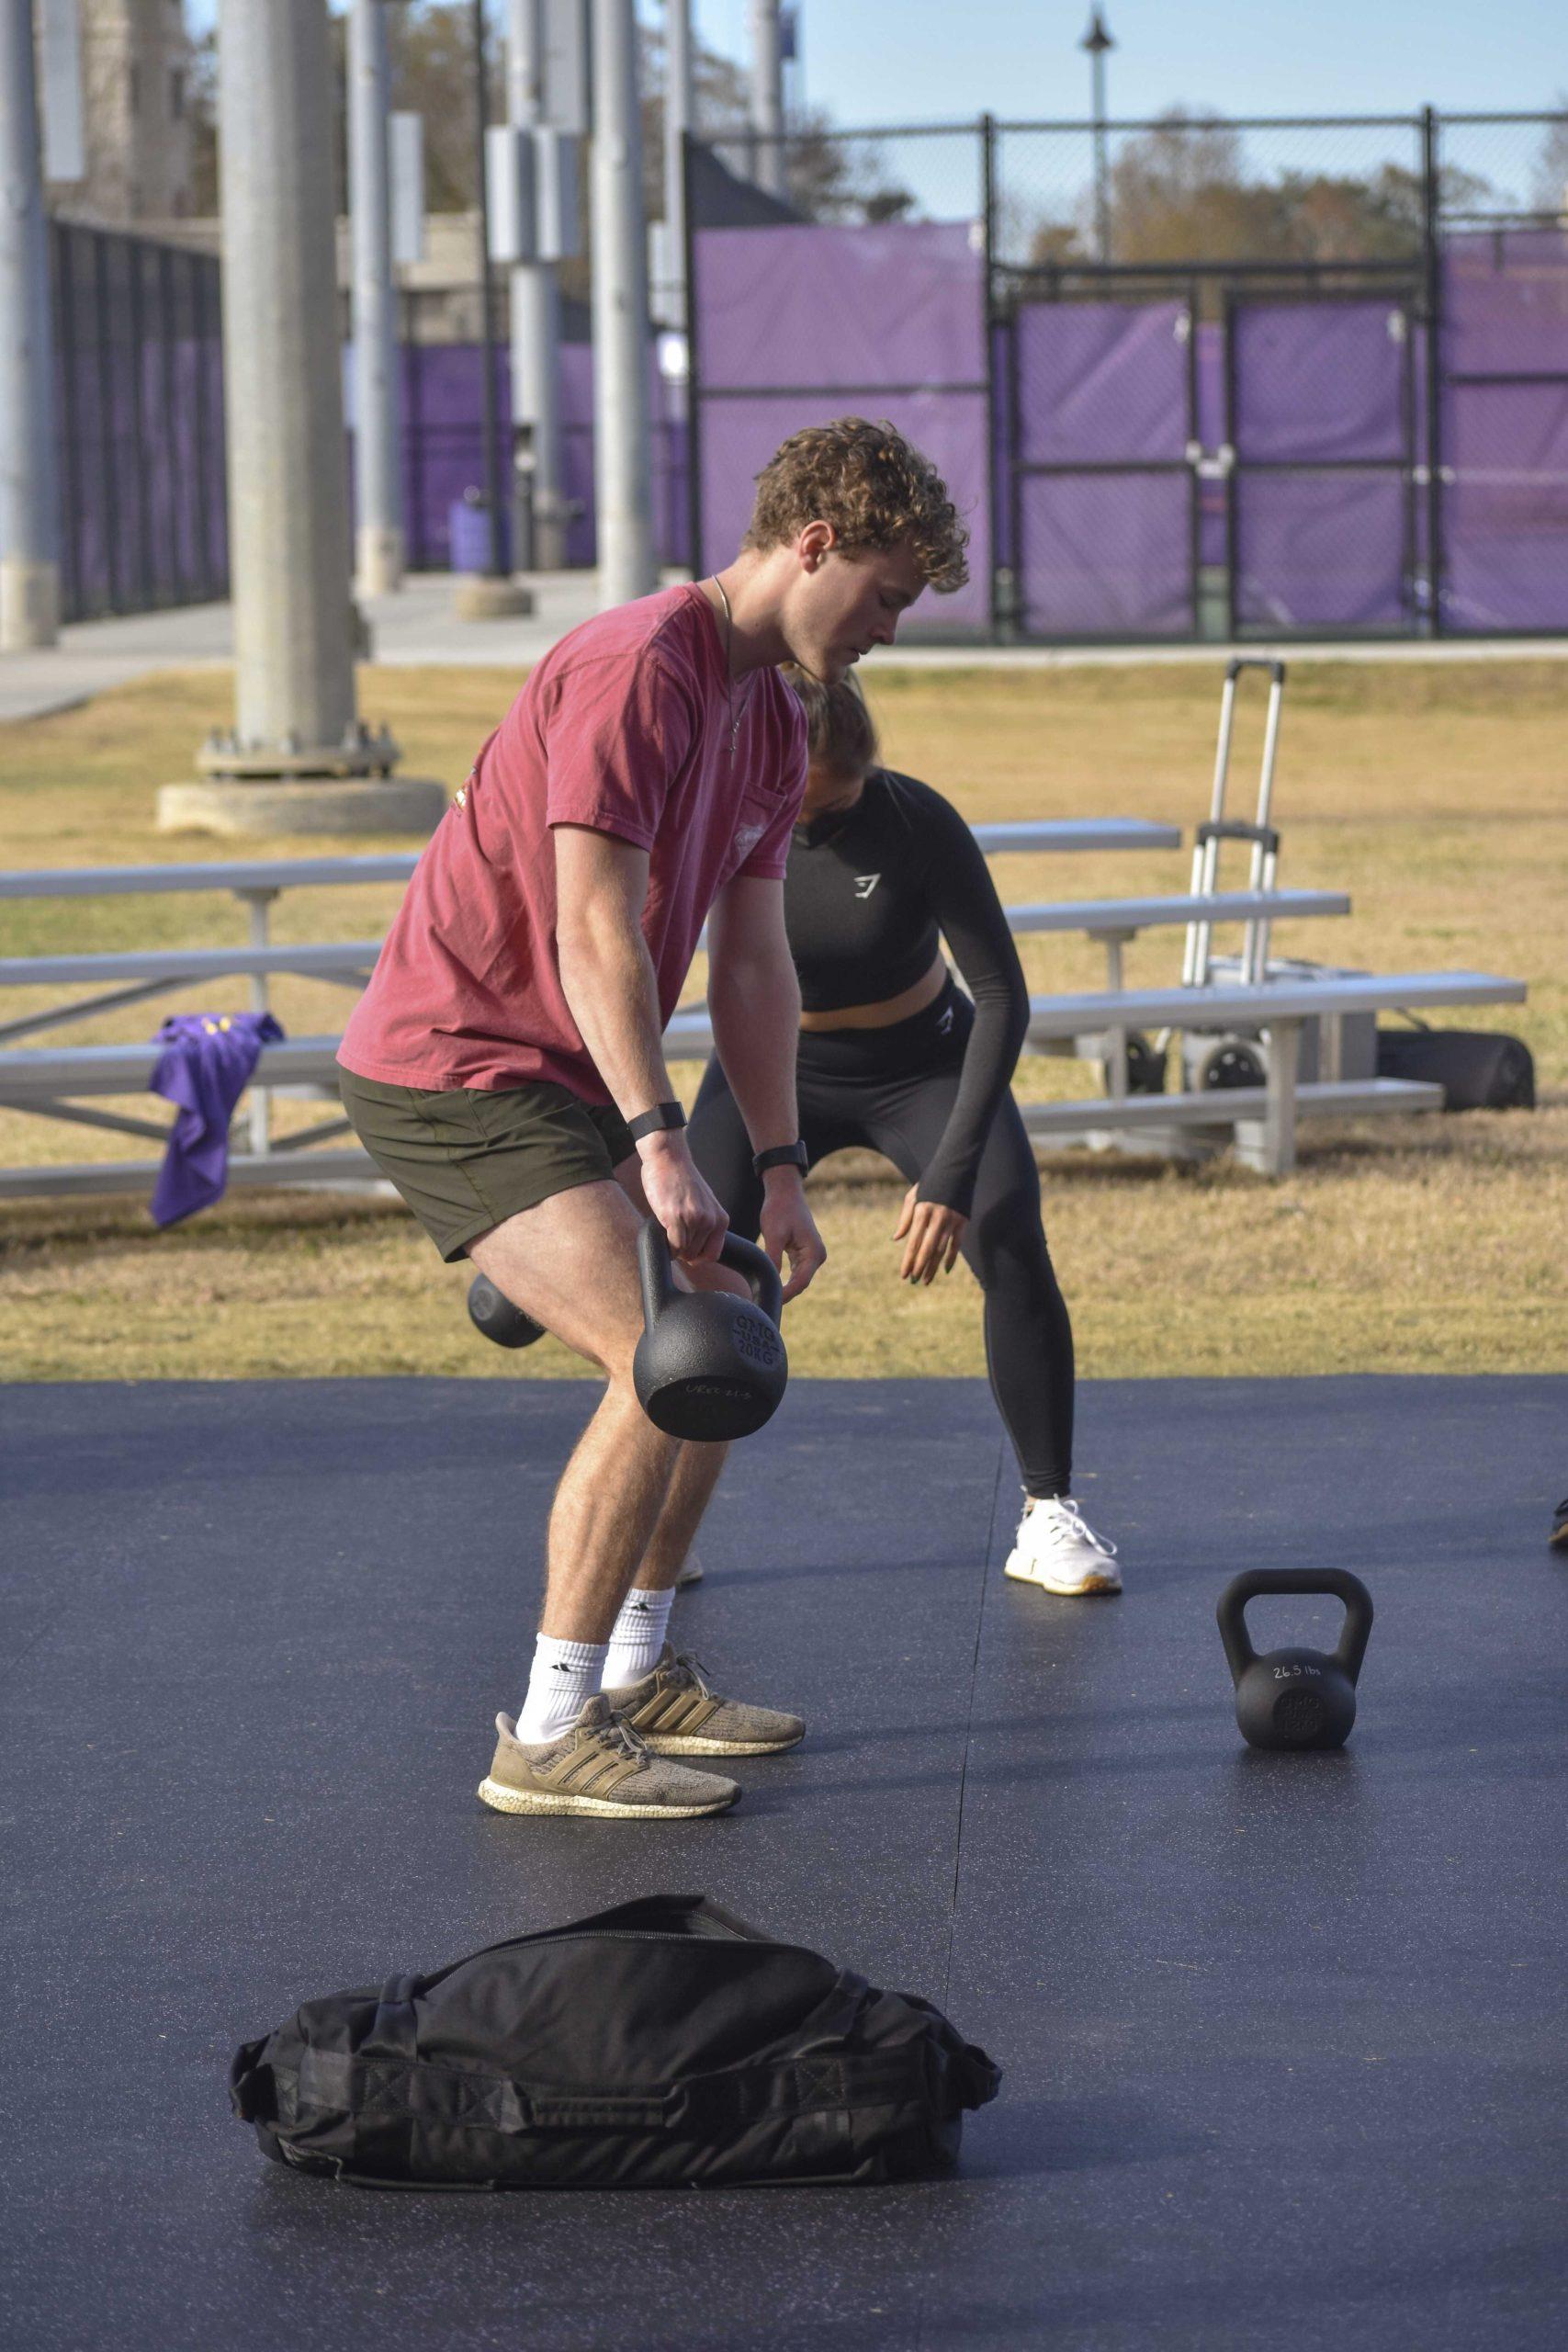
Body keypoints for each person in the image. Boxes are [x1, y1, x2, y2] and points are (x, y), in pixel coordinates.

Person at [336, 417, 971, 1821]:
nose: (885, 629)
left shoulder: (767, 715)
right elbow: (592, 924)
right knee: (658, 1358)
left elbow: (752, 960)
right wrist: (659, 1139)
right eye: (881, 595)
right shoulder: (641, 666)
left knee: (726, 1330)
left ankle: (636, 1672)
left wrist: (786, 1169)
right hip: (458, 1062)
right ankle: (547, 1731)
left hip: (561, 1077)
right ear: (811, 545)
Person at [686, 668, 1120, 1597]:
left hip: (921, 1063)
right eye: (805, 807)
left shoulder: (915, 820)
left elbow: (1003, 995)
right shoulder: (722, 815)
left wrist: (952, 1176)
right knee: (692, 1256)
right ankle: (661, 1518)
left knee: (1007, 1230)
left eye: (840, 803)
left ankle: (1048, 1513)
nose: (820, 822)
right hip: (770, 1066)